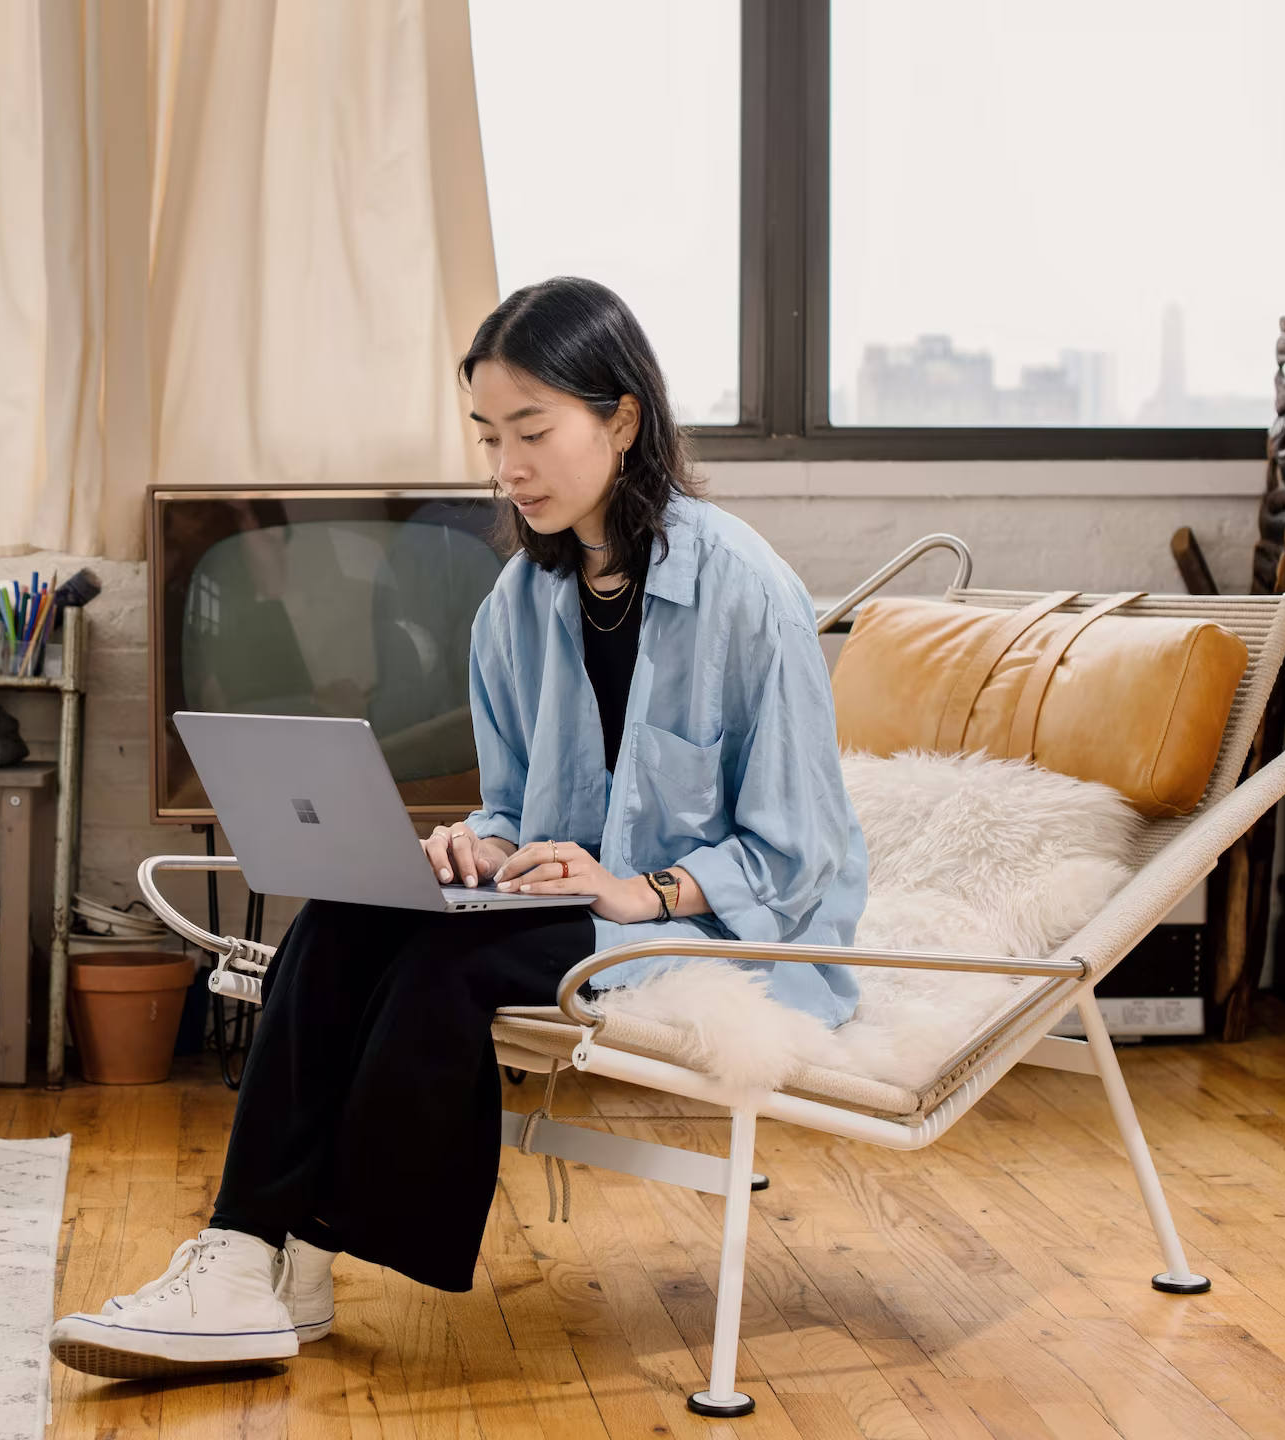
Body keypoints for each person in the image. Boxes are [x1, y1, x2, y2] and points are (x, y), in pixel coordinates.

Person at [46, 277, 868, 1378]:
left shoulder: (745, 592)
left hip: (722, 925)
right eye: (488, 436)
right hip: (559, 897)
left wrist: (644, 890)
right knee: (341, 918)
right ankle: (247, 1256)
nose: (506, 466)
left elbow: (799, 851)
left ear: (622, 420)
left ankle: (301, 1250)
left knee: (446, 969)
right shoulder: (517, 605)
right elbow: (518, 806)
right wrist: (475, 842)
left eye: (533, 431)